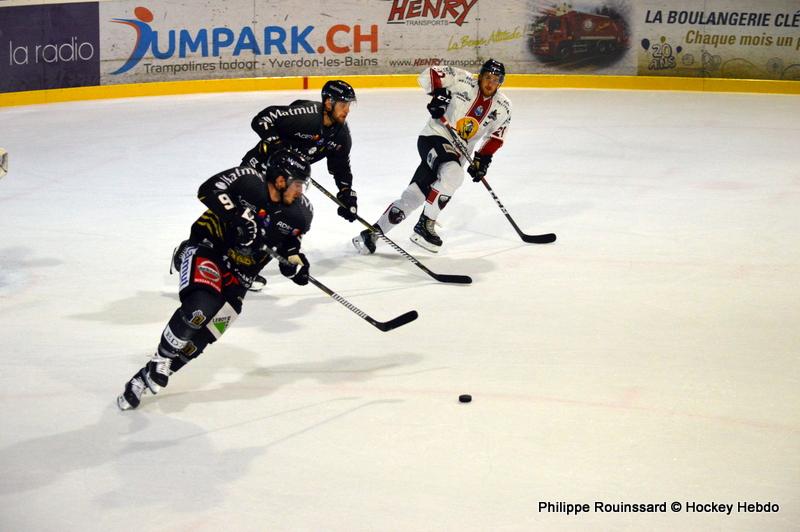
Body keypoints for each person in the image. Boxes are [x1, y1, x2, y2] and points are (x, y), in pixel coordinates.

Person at [117, 149, 314, 410]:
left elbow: (290, 246)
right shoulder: (248, 180)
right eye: (297, 184)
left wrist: (295, 266)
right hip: (209, 247)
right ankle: (162, 357)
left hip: (242, 274)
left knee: (205, 335)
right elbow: (208, 189)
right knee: (201, 307)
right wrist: (238, 217)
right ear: (280, 180)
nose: (301, 191)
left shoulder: (301, 213)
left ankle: (144, 378)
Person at [352, 59, 511, 254]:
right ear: (480, 76)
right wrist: (439, 95)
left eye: (495, 79)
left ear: (501, 82)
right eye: (487, 77)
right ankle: (425, 225)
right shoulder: (462, 79)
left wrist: (482, 159)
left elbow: (496, 137)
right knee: (453, 174)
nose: (490, 83)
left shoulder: (503, 107)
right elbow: (430, 74)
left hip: (457, 155)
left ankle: (371, 234)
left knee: (414, 196)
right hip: (434, 137)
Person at [241, 79, 359, 223]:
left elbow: (341, 167)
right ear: (329, 103)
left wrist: (346, 192)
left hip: (286, 184)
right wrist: (276, 145)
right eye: (343, 105)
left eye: (348, 105)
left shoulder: (341, 136)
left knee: (285, 223)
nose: (347, 110)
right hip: (258, 169)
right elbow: (263, 119)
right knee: (242, 217)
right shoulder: (307, 115)